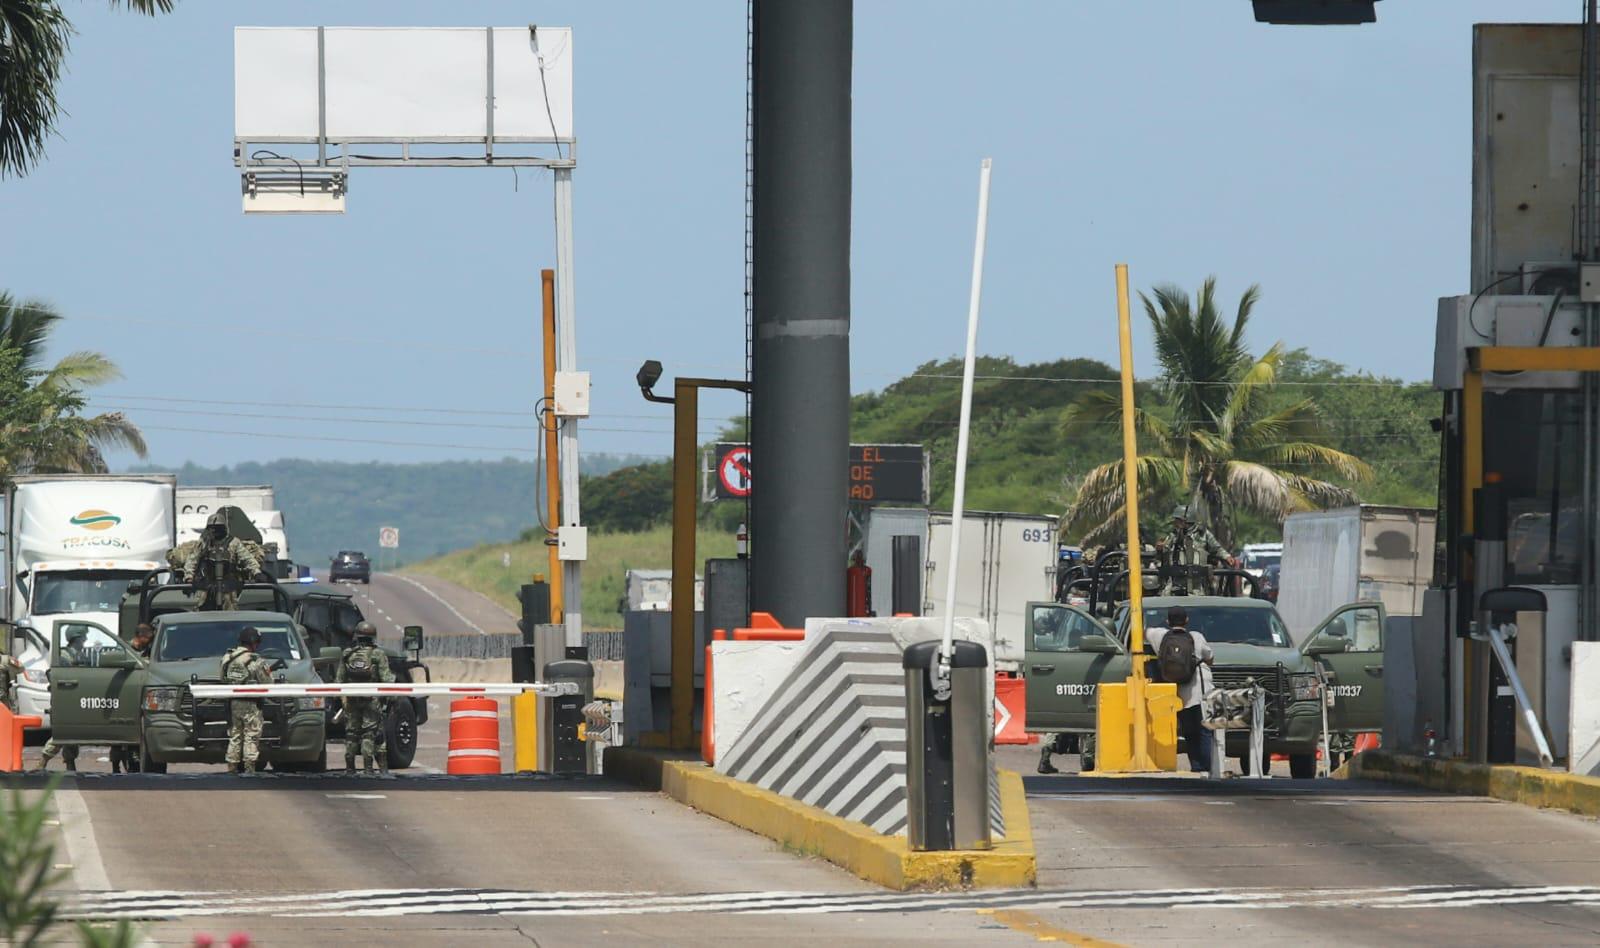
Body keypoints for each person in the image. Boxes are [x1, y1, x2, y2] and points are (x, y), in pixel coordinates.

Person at [1146, 606, 1215, 774]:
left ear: (1168, 621)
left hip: (1179, 692)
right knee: (1205, 729)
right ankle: (1207, 768)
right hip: (1199, 689)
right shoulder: (1196, 637)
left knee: (1189, 731)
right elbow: (1210, 658)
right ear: (1187, 620)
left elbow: (1143, 630)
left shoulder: (1159, 636)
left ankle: (1196, 766)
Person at [337, 621, 395, 774]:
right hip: (371, 700)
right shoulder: (378, 654)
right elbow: (387, 678)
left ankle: (350, 769)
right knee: (369, 734)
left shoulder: (347, 654)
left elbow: (339, 680)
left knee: (351, 735)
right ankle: (369, 770)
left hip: (350, 700)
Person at [35, 629, 90, 772]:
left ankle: (70, 764)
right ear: (76, 638)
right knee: (63, 733)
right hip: (66, 699)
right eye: (83, 637)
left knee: (73, 733)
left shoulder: (79, 655)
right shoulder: (64, 656)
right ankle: (43, 761)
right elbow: (58, 676)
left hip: (76, 697)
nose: (85, 640)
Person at [184, 511, 262, 611]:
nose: (213, 531)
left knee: (230, 612)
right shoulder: (204, 542)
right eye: (211, 528)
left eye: (217, 528)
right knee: (200, 610)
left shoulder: (234, 543)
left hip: (228, 585)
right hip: (207, 585)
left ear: (224, 528)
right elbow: (192, 560)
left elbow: (247, 559)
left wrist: (257, 573)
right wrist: (189, 577)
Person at [221, 626, 272, 775]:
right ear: (253, 642)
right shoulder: (255, 660)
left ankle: (231, 768)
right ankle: (249, 769)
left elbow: (223, 678)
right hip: (251, 704)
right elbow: (268, 683)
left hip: (234, 703)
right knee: (251, 736)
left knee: (235, 735)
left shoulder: (228, 658)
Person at [1156, 505, 1231, 594]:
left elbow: (1217, 548)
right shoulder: (1174, 535)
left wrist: (1227, 557)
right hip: (1177, 581)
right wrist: (1160, 549)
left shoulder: (1203, 534)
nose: (1175, 522)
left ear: (1186, 520)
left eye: (1178, 519)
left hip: (1198, 582)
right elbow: (1165, 550)